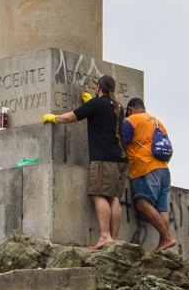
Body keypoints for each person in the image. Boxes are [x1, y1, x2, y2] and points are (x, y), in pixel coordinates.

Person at [42, 75, 127, 250]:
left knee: (99, 194)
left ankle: (105, 236)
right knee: (114, 197)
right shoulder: (118, 106)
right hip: (121, 158)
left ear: (98, 88)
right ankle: (114, 238)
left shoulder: (97, 104)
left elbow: (70, 117)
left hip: (103, 158)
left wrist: (54, 118)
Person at [122, 97, 177, 252]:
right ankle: (164, 246)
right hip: (163, 169)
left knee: (142, 203)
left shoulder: (133, 120)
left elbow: (121, 141)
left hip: (145, 167)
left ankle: (167, 237)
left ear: (130, 109)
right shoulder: (158, 122)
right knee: (161, 209)